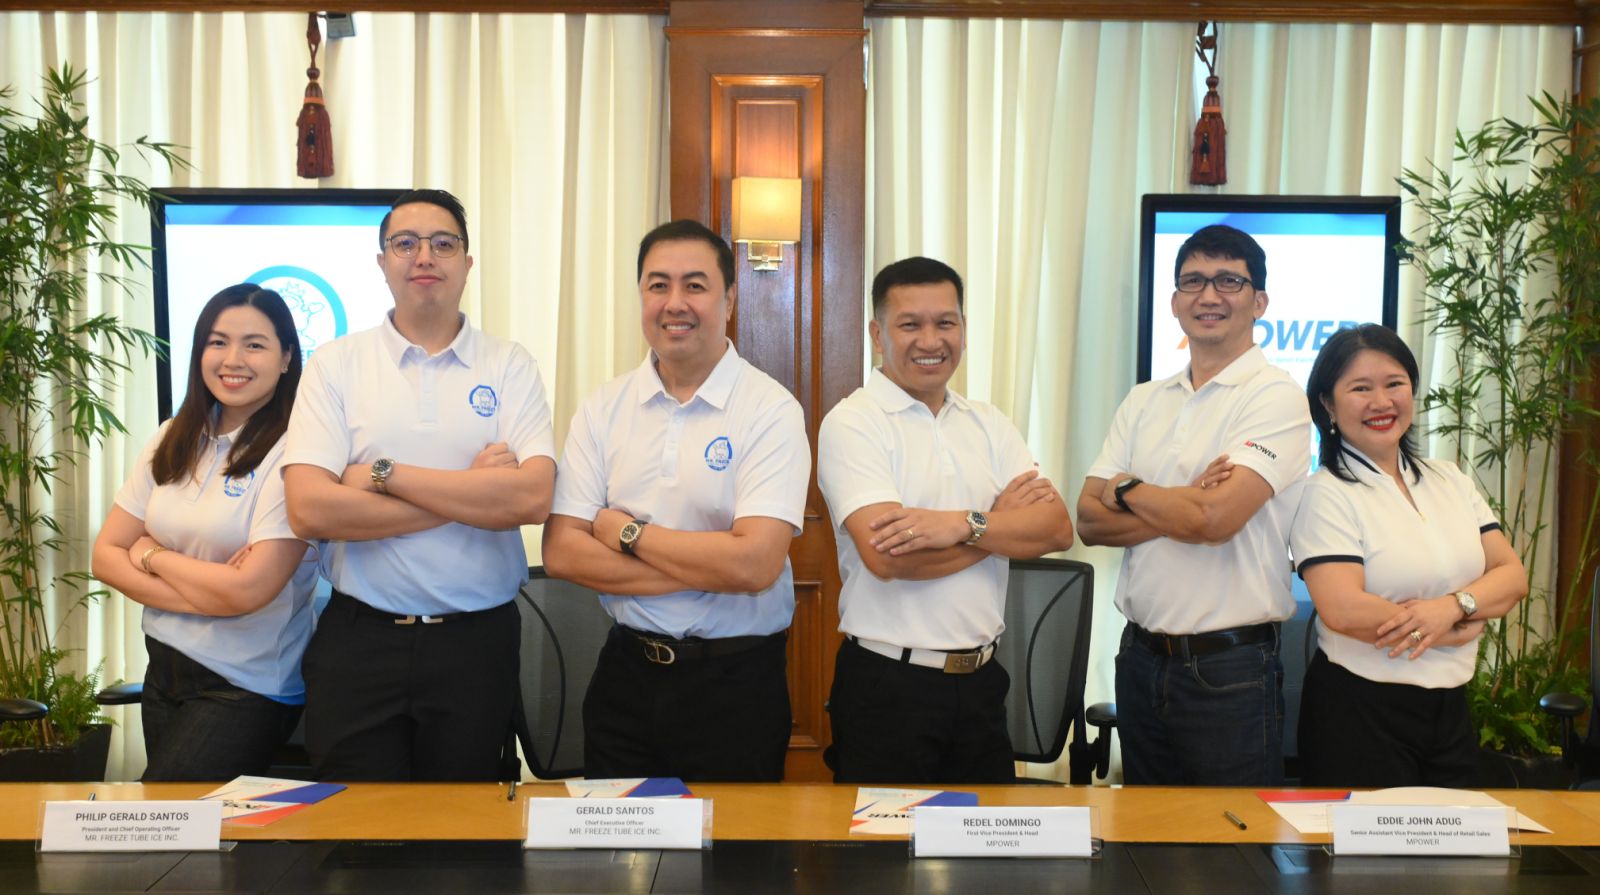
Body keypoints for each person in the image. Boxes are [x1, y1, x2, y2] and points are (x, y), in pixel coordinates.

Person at [282, 189, 556, 781]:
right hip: (361, 639)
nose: (424, 256)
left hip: (475, 644)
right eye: (405, 243)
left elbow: (533, 498)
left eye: (443, 244)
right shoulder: (336, 364)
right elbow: (309, 509)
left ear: (467, 263)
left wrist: (384, 477)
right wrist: (471, 492)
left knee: (464, 829)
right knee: (353, 825)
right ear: (382, 262)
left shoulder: (509, 365)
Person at [542, 220, 808, 782]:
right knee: (618, 839)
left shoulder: (770, 410)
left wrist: (628, 534)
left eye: (695, 285)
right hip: (626, 677)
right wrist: (709, 566)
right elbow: (563, 552)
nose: (674, 303)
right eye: (658, 285)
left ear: (728, 300)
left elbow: (755, 565)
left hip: (735, 683)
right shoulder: (604, 407)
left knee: (735, 842)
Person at [817, 256, 1075, 784]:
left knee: (983, 837)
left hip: (982, 684)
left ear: (963, 329)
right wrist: (999, 526)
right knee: (883, 839)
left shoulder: (988, 423)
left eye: (945, 323)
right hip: (889, 688)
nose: (931, 340)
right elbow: (889, 561)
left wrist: (963, 524)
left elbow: (1056, 529)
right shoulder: (853, 423)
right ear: (878, 335)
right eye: (910, 324)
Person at [1076, 224, 1311, 785]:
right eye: (1193, 281)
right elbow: (1087, 520)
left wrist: (1127, 489)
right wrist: (1186, 501)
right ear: (1175, 302)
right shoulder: (1144, 400)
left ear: (1259, 302)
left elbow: (1215, 521)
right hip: (1140, 659)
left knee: (1233, 834)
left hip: (1230, 669)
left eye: (1229, 281)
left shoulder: (1275, 396)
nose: (1209, 295)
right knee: (1147, 831)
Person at [92, 284, 316, 781]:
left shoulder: (296, 453)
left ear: (286, 358)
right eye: (218, 342)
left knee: (165, 815)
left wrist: (151, 554)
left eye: (254, 345)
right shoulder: (171, 437)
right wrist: (216, 593)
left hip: (245, 684)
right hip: (163, 668)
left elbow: (248, 591)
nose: (233, 359)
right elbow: (105, 555)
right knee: (182, 825)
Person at [1291, 324, 1525, 787]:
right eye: (1361, 388)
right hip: (1359, 711)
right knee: (1371, 839)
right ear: (1328, 404)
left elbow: (1512, 576)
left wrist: (1451, 608)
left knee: (1454, 834)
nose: (1381, 402)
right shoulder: (1326, 492)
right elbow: (1343, 608)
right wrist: (1448, 631)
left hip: (1450, 707)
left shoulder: (1449, 479)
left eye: (1394, 384)